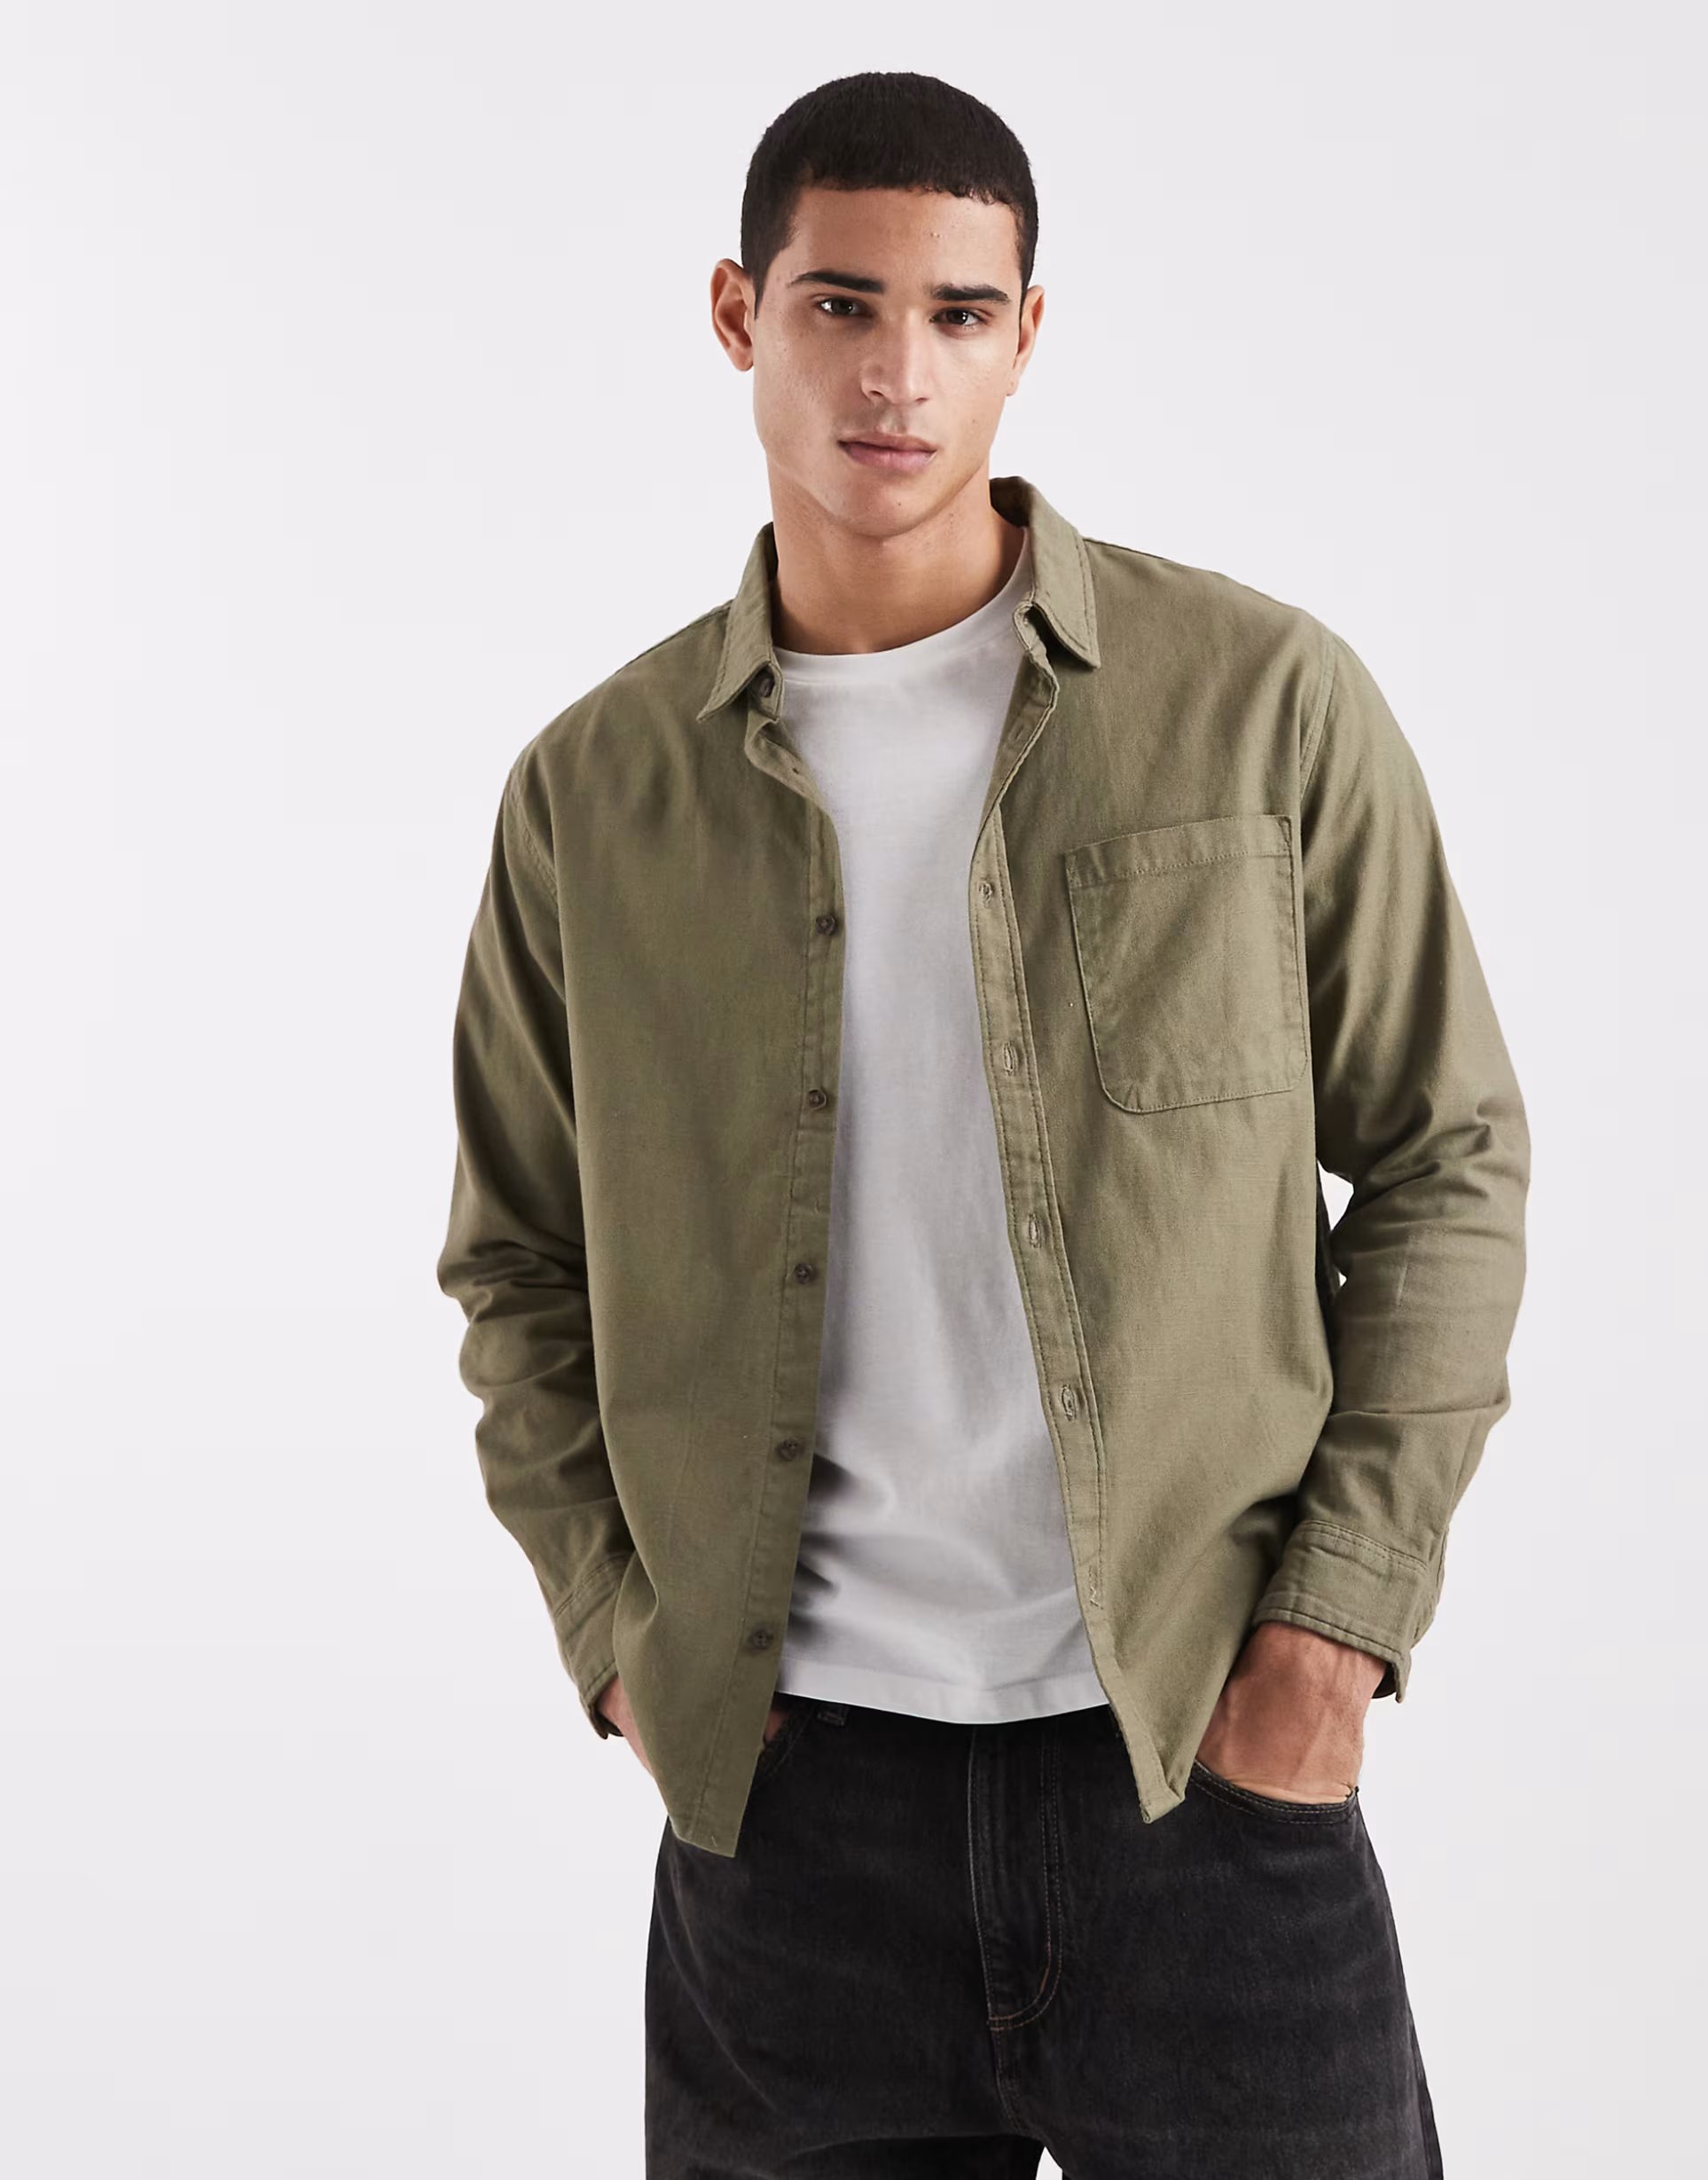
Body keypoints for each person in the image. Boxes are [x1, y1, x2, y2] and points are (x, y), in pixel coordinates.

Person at [435, 68, 1529, 2180]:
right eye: (842, 305)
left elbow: (1446, 1156)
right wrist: (623, 1644)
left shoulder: (1261, 702)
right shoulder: (594, 792)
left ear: (1028, 334)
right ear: (740, 314)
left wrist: (1332, 1631)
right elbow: (516, 1256)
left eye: (957, 315)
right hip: (794, 1823)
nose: (898, 375)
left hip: (1203, 1768)